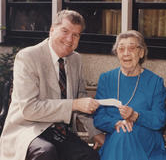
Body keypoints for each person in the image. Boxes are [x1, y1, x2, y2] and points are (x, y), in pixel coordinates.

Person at [0, 10, 105, 160]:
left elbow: (81, 99)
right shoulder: (28, 57)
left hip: (59, 131)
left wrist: (96, 133)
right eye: (65, 31)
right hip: (28, 129)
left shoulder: (76, 59)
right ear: (52, 30)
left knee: (88, 155)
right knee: (45, 152)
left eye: (76, 35)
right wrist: (73, 104)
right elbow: (29, 109)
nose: (70, 39)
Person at [93, 30, 166, 160]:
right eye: (121, 49)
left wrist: (136, 115)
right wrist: (116, 123)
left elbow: (159, 119)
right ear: (116, 53)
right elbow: (99, 118)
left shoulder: (155, 82)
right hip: (117, 137)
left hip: (146, 139)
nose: (126, 53)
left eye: (131, 48)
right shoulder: (106, 79)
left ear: (141, 53)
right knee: (122, 133)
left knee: (123, 135)